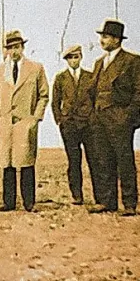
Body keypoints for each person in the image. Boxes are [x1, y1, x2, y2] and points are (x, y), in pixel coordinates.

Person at [0, 31, 49, 212]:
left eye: (17, 47)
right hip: (5, 123)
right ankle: (8, 202)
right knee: (7, 163)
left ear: (23, 47)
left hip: (25, 123)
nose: (13, 52)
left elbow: (44, 95)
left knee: (26, 163)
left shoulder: (36, 68)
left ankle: (29, 202)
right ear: (6, 50)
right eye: (10, 48)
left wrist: (34, 118)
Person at [86, 19, 140, 216]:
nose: (102, 40)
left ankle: (129, 204)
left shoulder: (132, 61)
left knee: (124, 161)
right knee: (103, 160)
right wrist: (93, 115)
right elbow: (93, 91)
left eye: (106, 36)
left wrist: (127, 117)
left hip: (119, 119)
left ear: (117, 40)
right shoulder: (99, 62)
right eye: (101, 36)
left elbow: (138, 93)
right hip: (99, 119)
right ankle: (107, 201)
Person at [51, 44, 94, 206]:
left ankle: (99, 196)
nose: (73, 61)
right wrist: (60, 120)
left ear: (81, 57)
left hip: (87, 125)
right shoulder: (61, 78)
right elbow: (55, 102)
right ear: (66, 60)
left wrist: (92, 119)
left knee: (93, 159)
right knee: (74, 161)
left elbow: (95, 99)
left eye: (76, 57)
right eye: (70, 58)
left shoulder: (89, 76)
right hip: (69, 126)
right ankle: (77, 195)